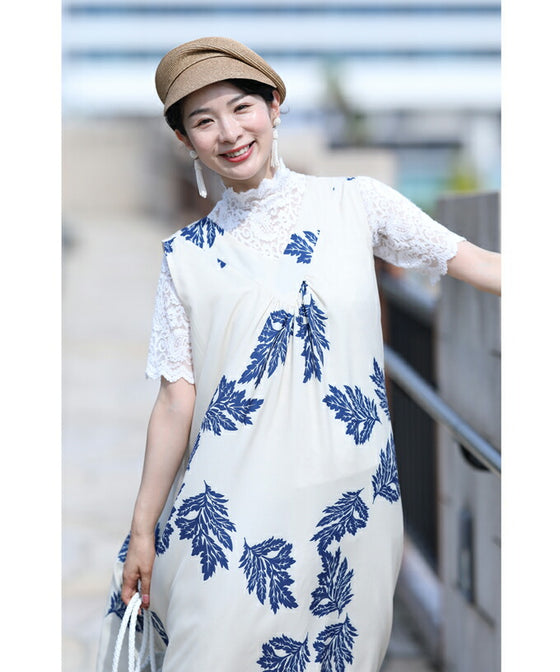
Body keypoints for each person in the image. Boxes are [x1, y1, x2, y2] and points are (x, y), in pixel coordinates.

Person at [96, 37, 501, 672]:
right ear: (186, 141)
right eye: (204, 121)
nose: (230, 132)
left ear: (274, 106)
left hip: (351, 508)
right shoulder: (185, 257)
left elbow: (477, 263)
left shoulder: (356, 203)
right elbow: (176, 398)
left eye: (241, 107)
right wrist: (143, 528)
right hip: (224, 519)